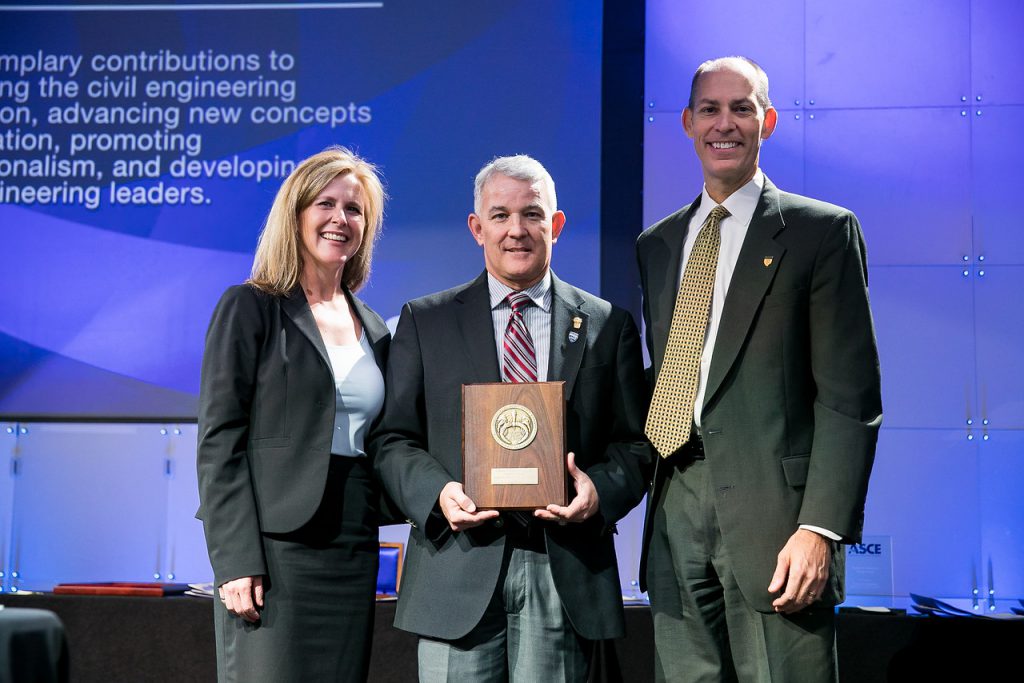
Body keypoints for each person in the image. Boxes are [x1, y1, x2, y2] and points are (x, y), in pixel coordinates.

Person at [637, 57, 882, 681]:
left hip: (778, 524)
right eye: (711, 110)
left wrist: (820, 528)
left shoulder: (819, 232)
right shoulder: (658, 244)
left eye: (742, 109)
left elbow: (850, 398)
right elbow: (672, 376)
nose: (726, 124)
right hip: (675, 511)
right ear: (688, 123)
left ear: (766, 122)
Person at [372, 155, 651, 681]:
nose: (516, 231)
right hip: (456, 567)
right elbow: (392, 439)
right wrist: (437, 495)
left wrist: (598, 492)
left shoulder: (605, 324)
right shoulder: (425, 321)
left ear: (557, 224)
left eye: (532, 214)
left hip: (562, 569)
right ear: (477, 228)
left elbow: (635, 445)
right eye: (499, 216)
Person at [197, 146, 390, 682]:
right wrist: (235, 559)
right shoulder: (250, 306)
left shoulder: (374, 327)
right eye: (324, 204)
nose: (340, 219)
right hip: (274, 552)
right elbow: (219, 441)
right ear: (296, 214)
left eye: (354, 209)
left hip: (352, 547)